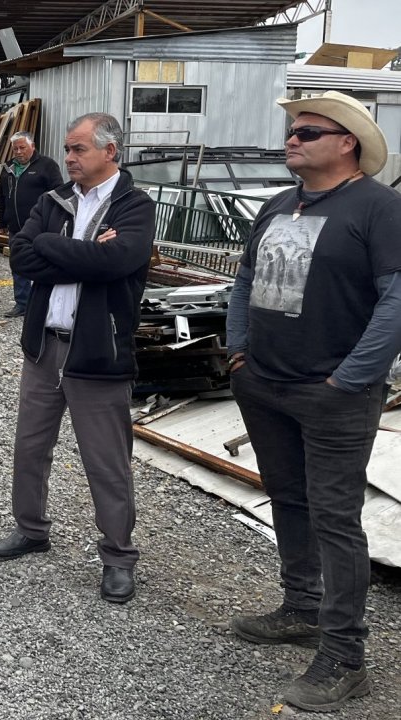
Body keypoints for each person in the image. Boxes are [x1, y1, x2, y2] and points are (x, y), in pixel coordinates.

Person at [225, 91, 401, 713]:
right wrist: (238, 354)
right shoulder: (277, 205)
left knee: (335, 518)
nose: (291, 139)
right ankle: (302, 607)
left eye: (307, 132)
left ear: (347, 143)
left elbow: (396, 301)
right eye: (291, 131)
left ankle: (345, 657)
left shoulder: (379, 209)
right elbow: (245, 281)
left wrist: (350, 379)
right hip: (264, 384)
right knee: (290, 499)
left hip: (333, 395)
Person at [0, 112, 155, 605]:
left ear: (110, 151)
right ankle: (31, 529)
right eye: (67, 149)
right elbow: (22, 257)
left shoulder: (135, 206)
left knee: (106, 461)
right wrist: (79, 253)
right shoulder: (54, 200)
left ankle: (118, 556)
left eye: (79, 149)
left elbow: (117, 262)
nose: (69, 157)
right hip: (45, 347)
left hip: (98, 352)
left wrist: (52, 247)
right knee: (30, 447)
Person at [0, 131, 62, 318]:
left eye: (22, 148)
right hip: (16, 228)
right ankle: (22, 303)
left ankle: (46, 304)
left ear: (32, 146)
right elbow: (1, 196)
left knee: (44, 264)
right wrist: (2, 220)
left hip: (40, 227)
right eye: (15, 149)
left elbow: (59, 193)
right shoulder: (8, 168)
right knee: (19, 264)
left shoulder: (47, 166)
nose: (18, 152)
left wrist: (53, 220)